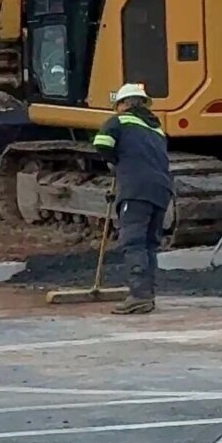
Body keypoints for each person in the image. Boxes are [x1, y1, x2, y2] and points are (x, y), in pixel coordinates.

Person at [93, 82, 173, 314]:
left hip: (136, 189)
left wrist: (114, 160)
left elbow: (101, 143)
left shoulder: (119, 121)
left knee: (134, 241)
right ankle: (147, 295)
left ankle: (138, 296)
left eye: (118, 104)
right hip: (161, 189)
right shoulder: (157, 129)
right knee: (149, 243)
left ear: (125, 104)